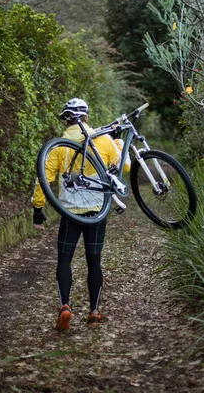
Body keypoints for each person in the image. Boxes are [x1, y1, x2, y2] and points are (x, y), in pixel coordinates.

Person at [31, 98, 130, 330]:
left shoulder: (58, 145)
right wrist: (116, 139)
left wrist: (38, 208)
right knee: (94, 261)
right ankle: (94, 312)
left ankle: (65, 306)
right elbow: (125, 167)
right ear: (86, 117)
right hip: (97, 211)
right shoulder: (102, 139)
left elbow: (43, 179)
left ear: (66, 119)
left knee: (64, 260)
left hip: (69, 212)